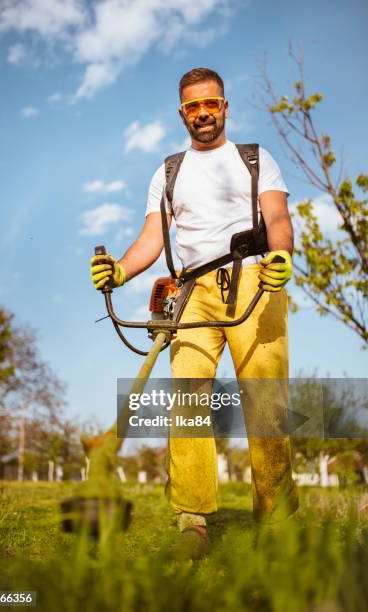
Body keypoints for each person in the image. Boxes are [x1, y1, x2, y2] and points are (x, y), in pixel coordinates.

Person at [90, 67, 299, 554]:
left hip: (253, 280)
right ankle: (192, 521)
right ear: (181, 113)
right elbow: (152, 237)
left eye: (211, 104)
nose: (202, 113)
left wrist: (283, 254)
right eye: (192, 107)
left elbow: (278, 217)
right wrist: (119, 272)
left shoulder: (254, 159)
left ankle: (275, 521)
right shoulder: (168, 171)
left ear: (224, 106)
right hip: (192, 290)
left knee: (265, 402)